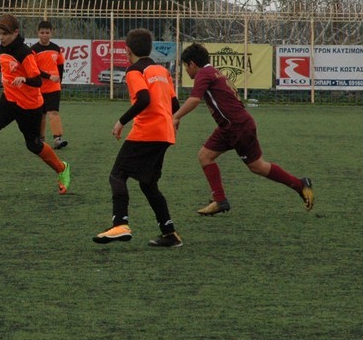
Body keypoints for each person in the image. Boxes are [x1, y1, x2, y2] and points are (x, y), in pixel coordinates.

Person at [174, 42, 313, 215]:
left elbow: (194, 100)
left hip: (237, 126)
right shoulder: (214, 72)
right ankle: (219, 200)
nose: (186, 71)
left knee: (257, 167)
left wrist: (176, 117)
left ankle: (300, 185)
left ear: (192, 64)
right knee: (205, 156)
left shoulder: (203, 73)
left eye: (185, 67)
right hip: (230, 126)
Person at [93, 28, 182, 247]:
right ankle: (170, 233)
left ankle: (120, 224)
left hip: (147, 132)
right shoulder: (162, 71)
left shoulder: (134, 71)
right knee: (148, 184)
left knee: (117, 175)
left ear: (127, 51)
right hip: (164, 134)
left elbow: (143, 99)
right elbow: (175, 105)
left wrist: (121, 121)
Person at [0, 14, 71, 194]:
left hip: (29, 106)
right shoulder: (3, 47)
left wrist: (24, 79)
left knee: (34, 145)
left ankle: (62, 168)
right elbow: (1, 63)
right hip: (8, 100)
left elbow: (37, 81)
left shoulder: (25, 53)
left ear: (15, 33)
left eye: (4, 34)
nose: (1, 37)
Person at [31, 19, 68, 149]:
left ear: (51, 33)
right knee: (41, 115)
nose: (45, 35)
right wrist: (49, 76)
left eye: (47, 32)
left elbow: (60, 66)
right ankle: (41, 140)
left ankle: (58, 139)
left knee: (54, 112)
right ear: (38, 33)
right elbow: (34, 69)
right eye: (42, 32)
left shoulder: (56, 48)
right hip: (39, 88)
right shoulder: (33, 50)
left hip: (53, 88)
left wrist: (59, 81)